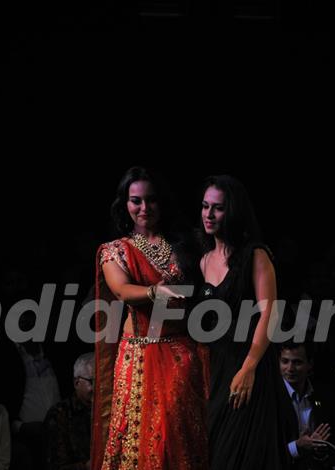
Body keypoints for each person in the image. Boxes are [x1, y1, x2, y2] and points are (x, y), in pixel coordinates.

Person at [91, 166, 209, 470]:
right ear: (125, 204)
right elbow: (121, 291)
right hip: (140, 354)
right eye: (136, 201)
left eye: (151, 200)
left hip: (182, 353)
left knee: (181, 434)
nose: (145, 208)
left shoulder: (188, 243)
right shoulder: (116, 249)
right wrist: (156, 292)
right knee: (140, 438)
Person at [196, 174, 293, 469]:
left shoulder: (256, 255)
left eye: (218, 208)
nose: (209, 215)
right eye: (205, 206)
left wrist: (249, 367)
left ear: (234, 211)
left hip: (250, 368)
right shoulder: (203, 261)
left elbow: (270, 314)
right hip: (217, 373)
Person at [280, 342, 335, 470]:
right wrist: (297, 446)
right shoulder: (270, 398)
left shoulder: (325, 395)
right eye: (285, 361)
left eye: (297, 362)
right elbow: (263, 450)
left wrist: (321, 452)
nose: (290, 368)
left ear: (310, 364)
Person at [45, 352, 94, 470]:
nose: (100, 388)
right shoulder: (59, 414)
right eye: (93, 382)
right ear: (77, 383)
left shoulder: (110, 412)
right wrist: (85, 467)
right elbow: (54, 466)